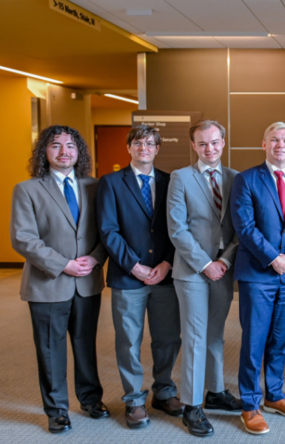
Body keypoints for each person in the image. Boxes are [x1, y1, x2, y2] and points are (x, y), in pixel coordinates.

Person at [11, 125, 109, 434]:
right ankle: (56, 410)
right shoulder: (27, 189)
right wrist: (63, 264)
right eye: (56, 146)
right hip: (47, 283)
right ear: (44, 152)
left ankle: (91, 399)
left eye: (70, 146)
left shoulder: (95, 186)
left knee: (85, 345)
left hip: (87, 281)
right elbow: (23, 239)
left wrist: (95, 257)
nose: (64, 151)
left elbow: (107, 230)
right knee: (50, 348)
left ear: (80, 152)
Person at [231, 122, 285, 435]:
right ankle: (250, 405)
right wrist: (273, 258)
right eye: (274, 140)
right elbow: (245, 227)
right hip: (257, 274)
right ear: (263, 144)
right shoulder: (246, 180)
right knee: (254, 340)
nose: (281, 145)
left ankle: (275, 395)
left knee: (280, 339)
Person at [97, 125, 183, 429]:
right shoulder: (110, 183)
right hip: (128, 276)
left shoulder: (172, 181)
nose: (143, 147)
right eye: (138, 143)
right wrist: (134, 265)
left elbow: (179, 227)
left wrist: (167, 263)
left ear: (158, 148)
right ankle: (134, 399)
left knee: (168, 338)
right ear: (129, 147)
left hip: (164, 275)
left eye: (149, 143)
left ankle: (164, 390)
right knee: (128, 342)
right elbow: (108, 230)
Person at [166, 120, 241, 437]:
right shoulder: (180, 178)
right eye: (202, 143)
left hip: (223, 270)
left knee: (215, 334)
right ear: (193, 146)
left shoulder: (236, 178)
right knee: (195, 337)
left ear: (223, 142)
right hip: (192, 272)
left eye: (214, 142)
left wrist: (223, 261)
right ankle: (192, 405)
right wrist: (205, 264)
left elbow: (240, 227)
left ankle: (215, 391)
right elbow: (177, 229)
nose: (209, 148)